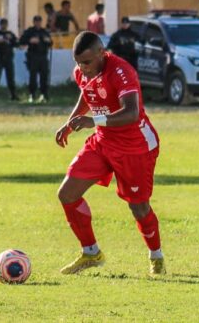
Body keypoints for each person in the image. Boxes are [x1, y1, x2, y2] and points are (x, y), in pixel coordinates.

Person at [54, 31, 164, 276]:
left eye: (87, 62)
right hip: (103, 143)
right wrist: (70, 123)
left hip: (135, 147)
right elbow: (87, 93)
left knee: (139, 208)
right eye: (78, 63)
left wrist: (94, 120)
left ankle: (156, 256)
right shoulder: (83, 72)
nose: (82, 68)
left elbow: (131, 112)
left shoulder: (122, 72)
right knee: (67, 194)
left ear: (102, 53)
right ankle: (91, 252)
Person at [19, 15, 52, 103]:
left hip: (43, 56)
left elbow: (50, 42)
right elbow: (21, 41)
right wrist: (30, 40)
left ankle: (43, 94)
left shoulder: (44, 31)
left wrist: (48, 41)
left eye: (39, 21)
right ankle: (32, 94)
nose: (38, 23)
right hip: (33, 56)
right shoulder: (29, 31)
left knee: (44, 76)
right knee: (33, 77)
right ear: (34, 22)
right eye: (36, 21)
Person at [0, 18, 19, 101]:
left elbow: (16, 44)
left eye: (5, 24)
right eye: (2, 24)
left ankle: (13, 95)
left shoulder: (10, 34)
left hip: (9, 58)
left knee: (10, 77)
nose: (4, 26)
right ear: (0, 25)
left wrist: (12, 39)